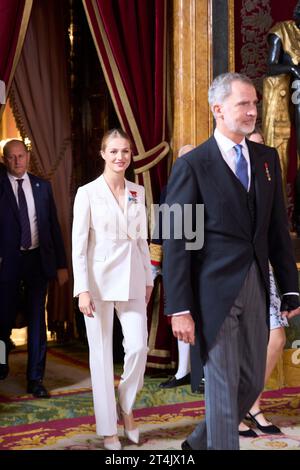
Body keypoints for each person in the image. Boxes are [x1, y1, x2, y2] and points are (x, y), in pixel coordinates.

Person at [163, 72, 300, 450]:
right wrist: (179, 307)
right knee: (222, 388)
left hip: (257, 287)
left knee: (252, 381)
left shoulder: (267, 159)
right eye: (244, 104)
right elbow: (176, 241)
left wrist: (290, 289)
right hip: (212, 295)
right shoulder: (191, 166)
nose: (253, 110)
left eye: (255, 103)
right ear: (218, 109)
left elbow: (276, 231)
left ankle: (197, 443)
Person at [72, 128, 153, 451]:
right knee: (101, 357)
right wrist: (82, 290)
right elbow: (79, 246)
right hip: (97, 283)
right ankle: (108, 429)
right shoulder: (87, 193)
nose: (120, 157)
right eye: (114, 151)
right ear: (103, 154)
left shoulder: (137, 190)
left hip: (133, 279)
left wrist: (148, 278)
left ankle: (127, 405)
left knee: (137, 348)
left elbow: (142, 239)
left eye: (125, 152)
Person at [0, 139, 68, 397]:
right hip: (7, 262)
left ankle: (35, 379)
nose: (17, 161)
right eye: (11, 157)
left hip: (37, 261)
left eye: (21, 156)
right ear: (5, 160)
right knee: (2, 319)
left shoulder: (42, 186)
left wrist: (61, 264)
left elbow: (53, 227)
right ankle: (1, 358)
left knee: (37, 319)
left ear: (28, 156)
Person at [238, 129, 286, 437]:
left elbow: (278, 230)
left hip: (264, 267)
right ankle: (236, 409)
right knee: (239, 346)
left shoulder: (268, 181)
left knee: (277, 338)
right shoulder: (222, 175)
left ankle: (251, 402)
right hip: (229, 273)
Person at [154, 145, 204, 393]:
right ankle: (183, 370)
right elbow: (162, 228)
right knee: (183, 314)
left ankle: (201, 373)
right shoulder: (168, 191)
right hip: (179, 262)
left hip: (206, 264)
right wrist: (156, 263)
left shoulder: (210, 188)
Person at [262, 1, 300, 228]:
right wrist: (293, 69)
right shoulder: (281, 32)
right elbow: (271, 67)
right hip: (291, 96)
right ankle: (283, 219)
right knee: (282, 156)